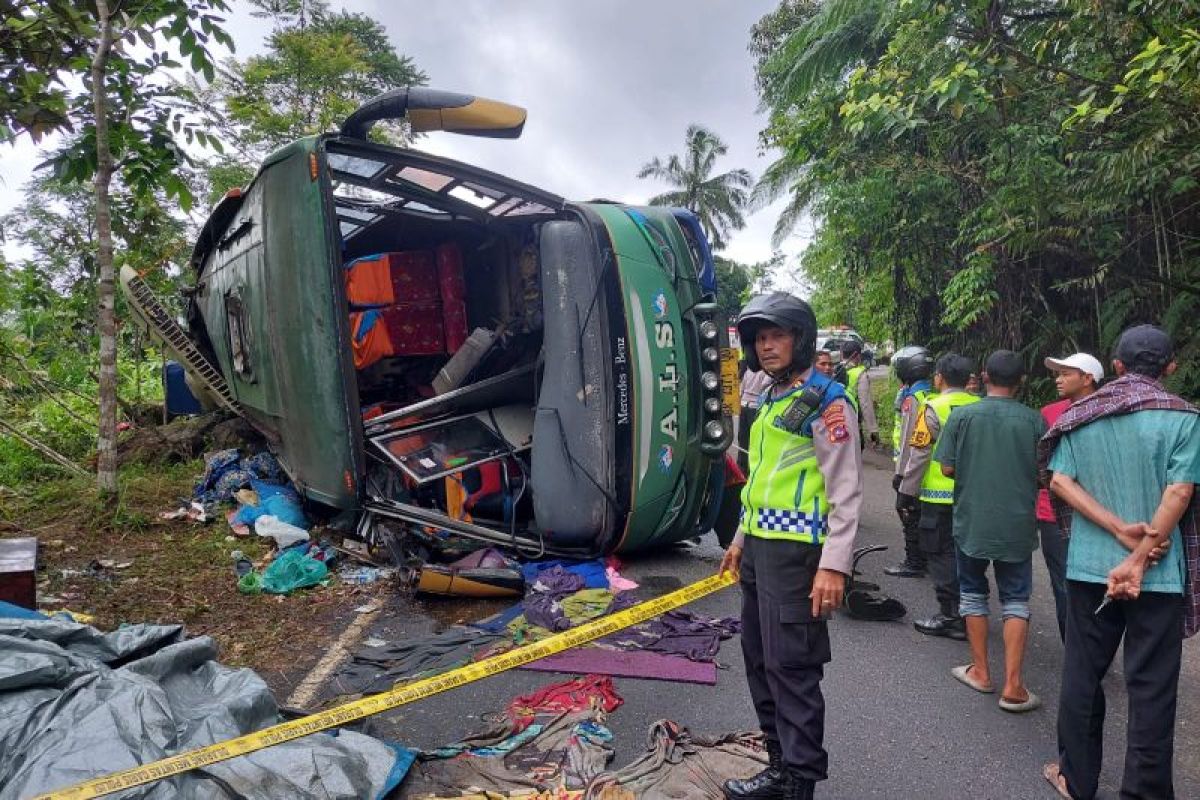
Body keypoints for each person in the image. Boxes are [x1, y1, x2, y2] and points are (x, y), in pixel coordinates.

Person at [1040, 325, 1200, 800]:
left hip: (1090, 569)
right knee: (1152, 689)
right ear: (1170, 368)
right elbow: (1180, 491)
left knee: (1083, 675)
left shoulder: (1083, 414)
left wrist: (1113, 529)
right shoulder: (1185, 418)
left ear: (1116, 367)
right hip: (1159, 575)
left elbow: (1060, 482)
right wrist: (1139, 555)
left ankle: (1076, 779)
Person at [718, 292, 863, 800]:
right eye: (760, 338)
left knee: (792, 669)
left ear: (800, 339)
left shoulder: (826, 401)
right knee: (760, 661)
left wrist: (834, 566)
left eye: (777, 335)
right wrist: (739, 540)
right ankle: (778, 766)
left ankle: (800, 782)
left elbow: (846, 492)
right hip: (760, 549)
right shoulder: (775, 397)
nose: (767, 346)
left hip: (799, 555)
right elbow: (761, 480)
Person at [936, 350, 1045, 712]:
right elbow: (1046, 475)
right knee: (1015, 598)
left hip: (972, 521)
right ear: (1022, 380)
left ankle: (981, 672)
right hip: (1016, 523)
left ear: (983, 377)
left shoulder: (962, 416)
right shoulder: (1035, 422)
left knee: (972, 591)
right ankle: (1014, 685)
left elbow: (947, 469)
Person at [897, 353, 980, 638]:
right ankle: (972, 611)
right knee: (968, 553)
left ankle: (950, 615)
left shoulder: (933, 406)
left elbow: (920, 454)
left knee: (940, 554)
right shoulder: (980, 405)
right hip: (971, 496)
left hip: (937, 496)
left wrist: (906, 492)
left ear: (939, 378)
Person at [1036, 352, 1103, 641]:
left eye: (1066, 374)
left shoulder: (1110, 411)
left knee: (1097, 585)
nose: (1058, 379)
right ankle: (1075, 649)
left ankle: (1096, 647)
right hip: (1051, 512)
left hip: (1097, 513)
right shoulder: (1048, 413)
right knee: (1063, 584)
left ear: (1088, 379)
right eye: (1057, 374)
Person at [885, 345, 935, 578]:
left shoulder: (913, 399)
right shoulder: (934, 393)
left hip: (913, 467)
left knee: (906, 510)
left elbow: (909, 439)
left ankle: (914, 561)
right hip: (934, 469)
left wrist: (901, 474)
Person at [836, 340, 880, 447]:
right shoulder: (860, 374)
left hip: (833, 421)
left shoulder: (833, 370)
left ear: (842, 354)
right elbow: (865, 404)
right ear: (858, 356)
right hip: (852, 423)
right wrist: (873, 430)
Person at [738, 366, 774, 474]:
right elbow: (765, 386)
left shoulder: (748, 371)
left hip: (744, 404)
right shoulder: (765, 372)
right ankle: (753, 467)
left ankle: (741, 467)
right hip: (755, 406)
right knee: (755, 439)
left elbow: (741, 389)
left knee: (743, 438)